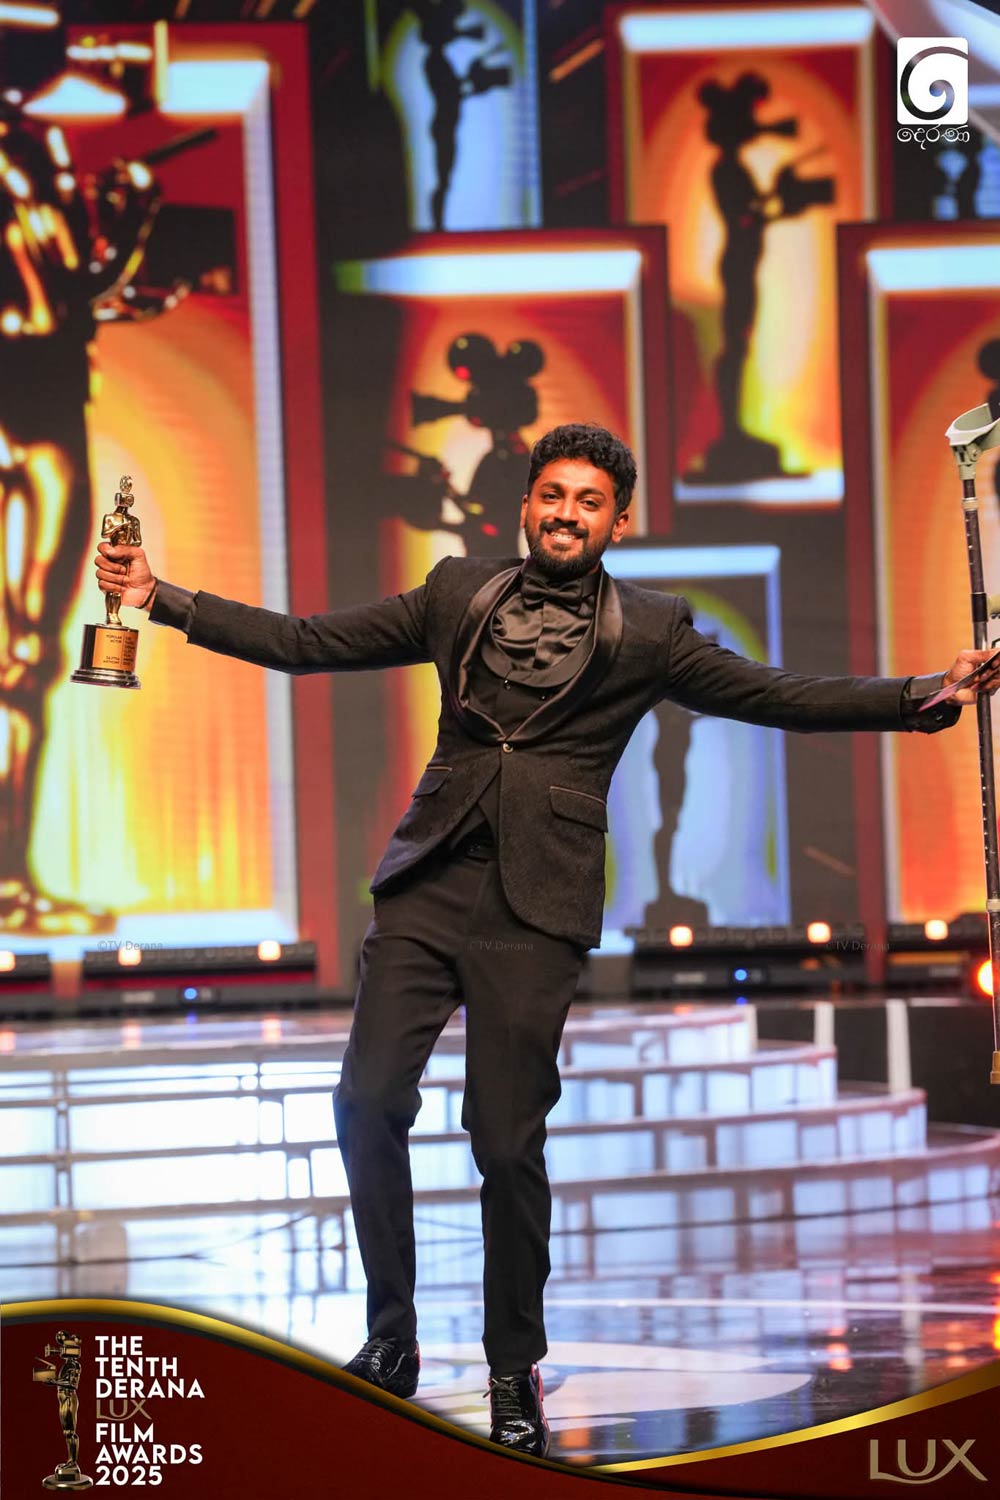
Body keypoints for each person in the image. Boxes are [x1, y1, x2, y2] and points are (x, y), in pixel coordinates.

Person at [93, 422, 999, 1456]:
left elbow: (774, 695)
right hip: (428, 884)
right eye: (553, 495)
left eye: (589, 502)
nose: (567, 514)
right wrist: (162, 598)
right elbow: (307, 643)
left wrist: (920, 696)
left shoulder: (651, 629)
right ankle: (390, 1338)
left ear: (620, 521)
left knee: (504, 1141)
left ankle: (511, 1365)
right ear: (526, 504)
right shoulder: (455, 591)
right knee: (366, 1100)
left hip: (538, 907)